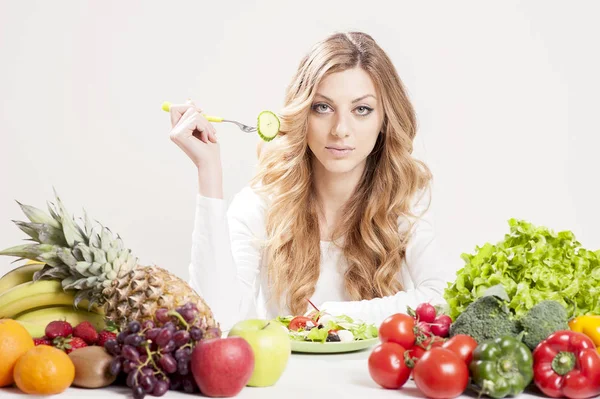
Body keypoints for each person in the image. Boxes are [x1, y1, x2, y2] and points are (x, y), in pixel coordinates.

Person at [168, 31, 452, 331]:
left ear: (384, 120)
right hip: (287, 378)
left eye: (362, 110)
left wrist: (329, 317)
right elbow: (215, 321)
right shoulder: (261, 202)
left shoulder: (405, 197)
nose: (340, 129)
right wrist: (208, 172)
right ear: (302, 113)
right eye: (323, 107)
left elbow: (440, 298)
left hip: (375, 377)